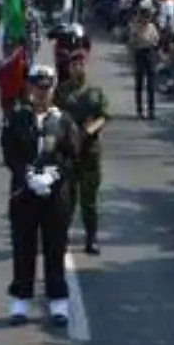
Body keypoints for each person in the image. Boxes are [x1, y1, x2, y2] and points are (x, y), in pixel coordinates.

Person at [4, 64, 79, 327]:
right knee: (23, 247)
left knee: (55, 248)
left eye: (46, 86)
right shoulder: (18, 118)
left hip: (55, 194)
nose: (41, 91)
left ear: (54, 87)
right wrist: (28, 176)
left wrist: (53, 175)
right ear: (29, 87)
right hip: (24, 193)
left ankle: (58, 302)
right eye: (37, 85)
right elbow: (10, 154)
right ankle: (20, 301)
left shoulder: (64, 120)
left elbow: (72, 156)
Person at [54, 50, 110, 255]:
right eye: (74, 64)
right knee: (66, 198)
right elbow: (55, 115)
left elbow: (104, 116)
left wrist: (89, 129)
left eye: (81, 64)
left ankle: (91, 238)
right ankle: (63, 236)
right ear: (69, 67)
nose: (78, 67)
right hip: (69, 152)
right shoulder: (62, 91)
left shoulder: (95, 91)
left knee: (89, 201)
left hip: (90, 152)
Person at [128, 2, 159, 119]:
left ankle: (151, 110)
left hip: (149, 53)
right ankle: (139, 110)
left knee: (150, 85)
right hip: (139, 53)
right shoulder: (135, 27)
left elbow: (156, 40)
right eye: (144, 17)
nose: (146, 19)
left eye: (148, 17)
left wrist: (151, 44)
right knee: (139, 84)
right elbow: (131, 42)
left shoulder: (152, 27)